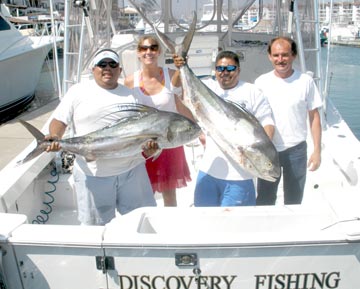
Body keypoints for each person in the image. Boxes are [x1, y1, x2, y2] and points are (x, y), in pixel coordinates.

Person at [45, 48, 157, 225]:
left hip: (132, 171)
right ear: (93, 69)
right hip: (93, 174)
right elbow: (59, 120)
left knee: (143, 223)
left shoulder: (132, 94)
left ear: (120, 70)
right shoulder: (78, 91)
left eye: (113, 64)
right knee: (96, 228)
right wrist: (54, 137)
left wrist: (150, 150)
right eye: (102, 64)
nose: (108, 68)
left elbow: (144, 133)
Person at [175, 50, 275, 207]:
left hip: (239, 177)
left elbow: (267, 122)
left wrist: (262, 148)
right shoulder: (207, 86)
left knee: (235, 226)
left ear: (239, 70)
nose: (225, 73)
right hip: (208, 171)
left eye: (230, 68)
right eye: (220, 69)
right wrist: (180, 67)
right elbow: (185, 109)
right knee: (205, 221)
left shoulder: (252, 92)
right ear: (215, 70)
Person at [124, 36, 194, 207]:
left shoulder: (172, 76)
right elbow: (127, 116)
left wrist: (198, 128)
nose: (149, 52)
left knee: (170, 196)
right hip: (141, 145)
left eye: (153, 48)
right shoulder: (129, 82)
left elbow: (182, 108)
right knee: (143, 193)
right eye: (144, 48)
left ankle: (170, 231)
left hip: (169, 142)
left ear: (159, 52)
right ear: (138, 53)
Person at [255, 36, 322, 205]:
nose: (280, 59)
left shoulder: (306, 82)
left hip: (296, 150)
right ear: (270, 56)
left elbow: (314, 117)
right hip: (268, 150)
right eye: (276, 55)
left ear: (293, 56)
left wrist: (317, 151)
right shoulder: (261, 83)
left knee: (294, 200)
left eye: (285, 55)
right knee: (264, 199)